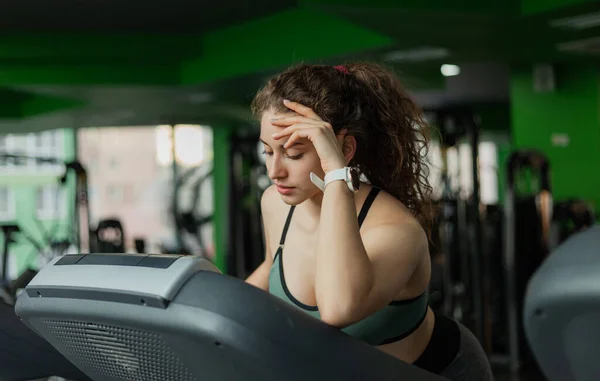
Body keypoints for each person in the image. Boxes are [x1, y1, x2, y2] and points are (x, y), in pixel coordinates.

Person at [245, 62, 493, 381]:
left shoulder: (396, 231)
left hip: (437, 372)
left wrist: (336, 174)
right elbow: (271, 269)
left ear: (344, 149)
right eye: (267, 151)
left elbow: (337, 308)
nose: (274, 170)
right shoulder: (275, 204)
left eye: (293, 154)